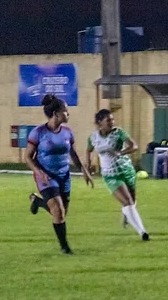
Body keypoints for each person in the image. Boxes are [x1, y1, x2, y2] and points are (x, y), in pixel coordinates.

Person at [25, 95, 94, 254]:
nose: (68, 114)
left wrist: (84, 171)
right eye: (65, 111)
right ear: (56, 114)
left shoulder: (68, 132)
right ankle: (65, 248)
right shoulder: (38, 132)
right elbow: (28, 157)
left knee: (61, 213)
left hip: (64, 176)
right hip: (46, 176)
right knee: (58, 211)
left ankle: (37, 201)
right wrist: (39, 172)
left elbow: (73, 154)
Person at [85, 109, 149, 241]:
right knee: (128, 201)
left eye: (112, 119)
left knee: (131, 201)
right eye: (108, 120)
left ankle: (127, 213)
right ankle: (142, 232)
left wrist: (121, 152)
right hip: (111, 175)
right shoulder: (93, 137)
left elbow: (134, 146)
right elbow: (88, 150)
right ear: (99, 122)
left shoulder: (118, 133)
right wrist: (87, 168)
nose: (112, 122)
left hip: (127, 171)